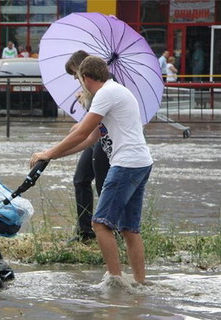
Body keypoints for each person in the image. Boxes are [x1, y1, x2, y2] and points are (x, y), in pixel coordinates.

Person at [29, 56, 153, 284]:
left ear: (85, 78)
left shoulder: (105, 94)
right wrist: (52, 156)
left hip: (126, 164)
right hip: (141, 162)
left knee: (100, 224)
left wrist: (47, 152)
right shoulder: (115, 90)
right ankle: (140, 283)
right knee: (129, 229)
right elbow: (89, 139)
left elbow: (82, 132)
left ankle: (115, 281)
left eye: (78, 79)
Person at [64, 50, 111, 243]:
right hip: (94, 136)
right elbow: (92, 117)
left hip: (104, 139)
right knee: (80, 179)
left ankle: (109, 230)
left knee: (102, 185)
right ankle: (85, 232)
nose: (75, 78)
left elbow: (97, 121)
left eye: (75, 73)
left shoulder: (107, 86)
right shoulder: (89, 89)